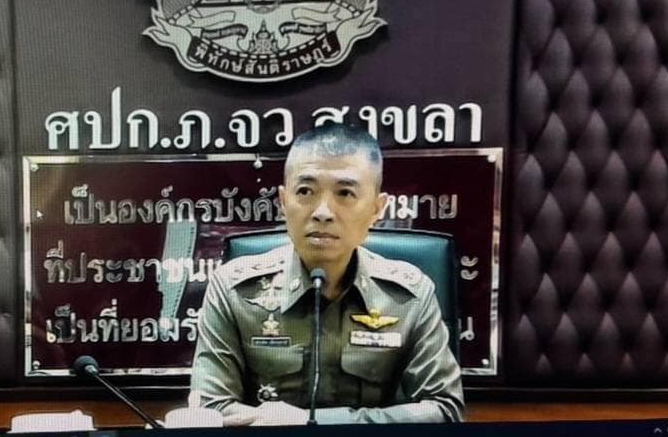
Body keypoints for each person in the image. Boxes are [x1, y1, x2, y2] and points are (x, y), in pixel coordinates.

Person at [190, 123, 464, 425]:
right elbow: (210, 408)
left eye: (345, 193)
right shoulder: (234, 289)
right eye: (305, 191)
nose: (323, 212)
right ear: (283, 202)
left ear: (377, 208)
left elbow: (445, 410)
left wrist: (311, 423)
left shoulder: (409, 296)